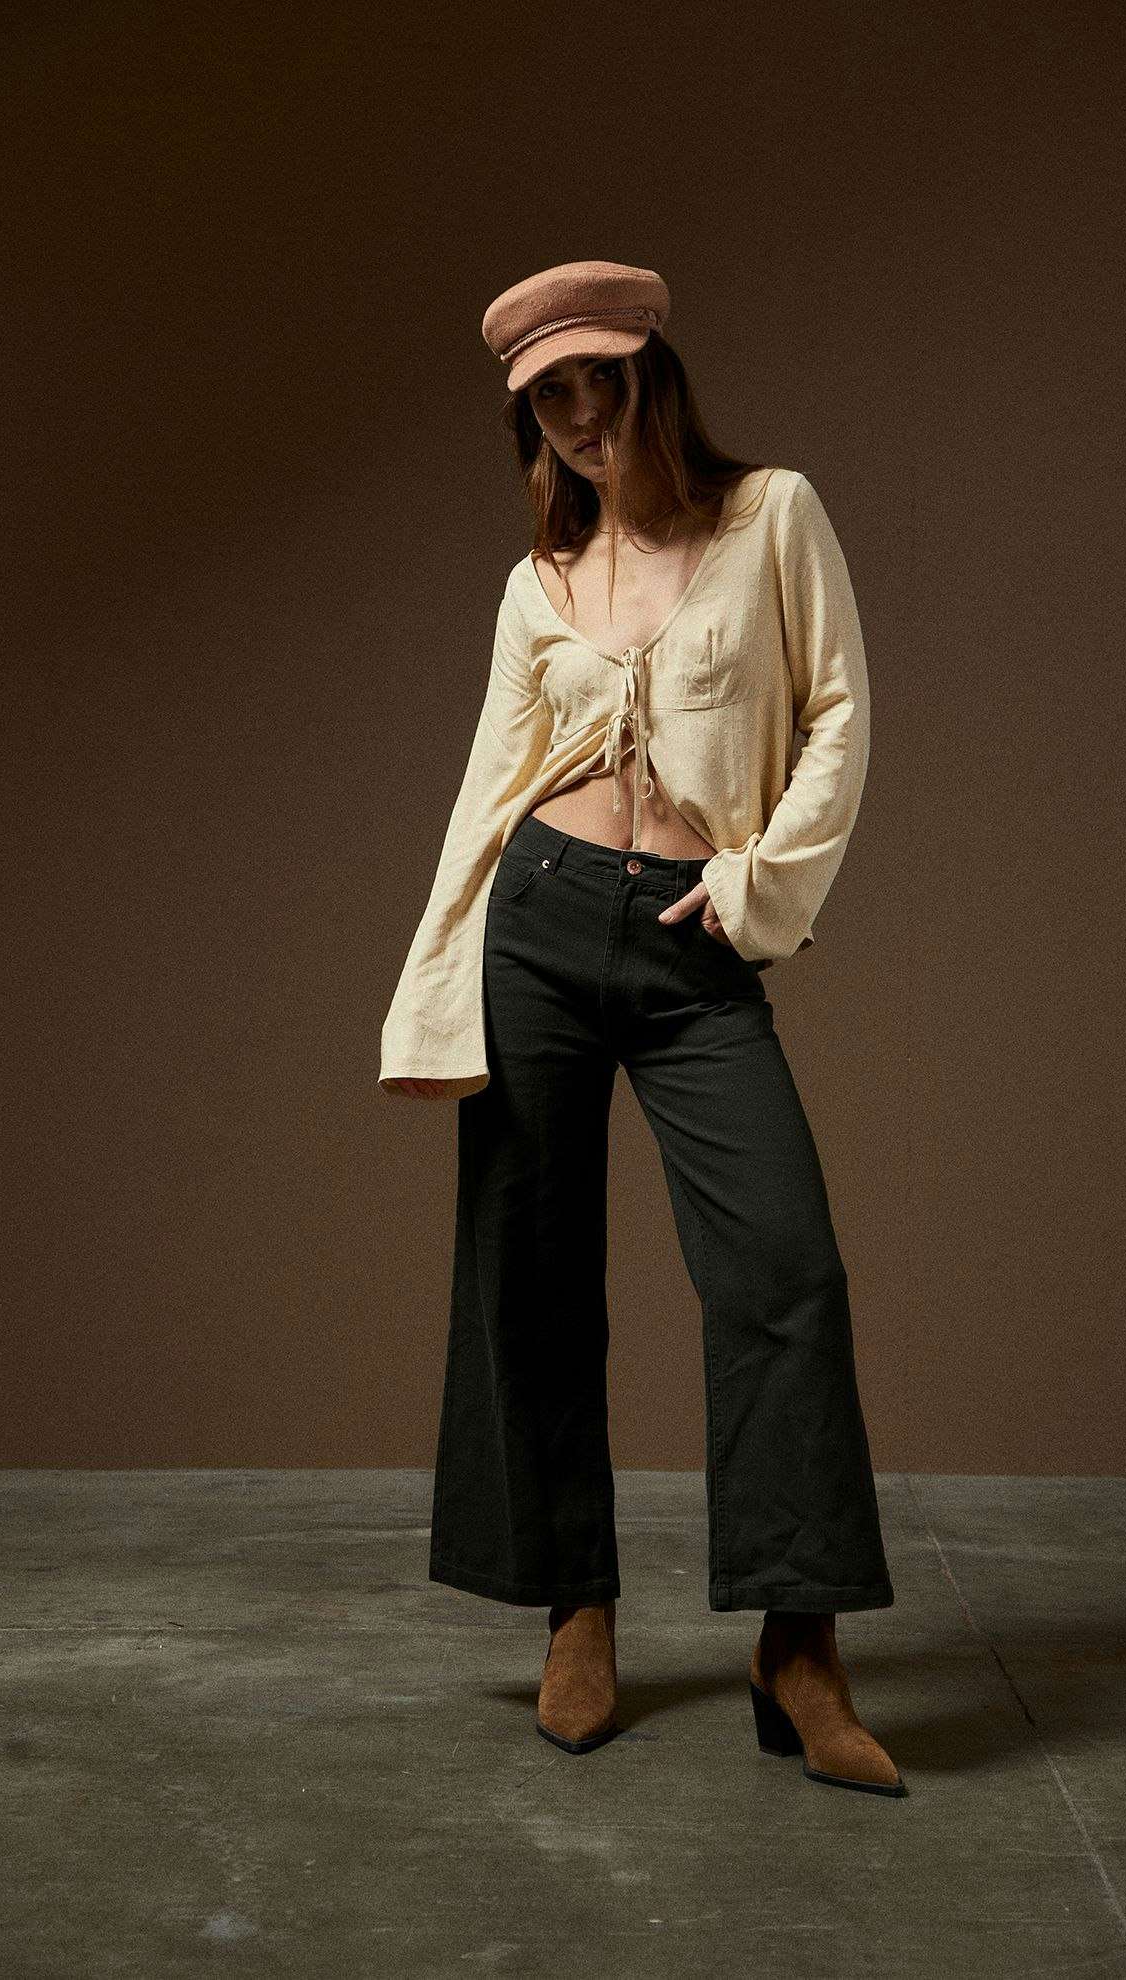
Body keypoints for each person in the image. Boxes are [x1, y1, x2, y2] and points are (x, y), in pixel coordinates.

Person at [379, 260, 905, 1796]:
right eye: (549, 393)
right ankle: (577, 1607)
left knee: (783, 1274)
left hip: (692, 945)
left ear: (649, 374)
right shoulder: (536, 583)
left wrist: (753, 889)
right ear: (528, 417)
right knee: (531, 1279)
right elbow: (488, 788)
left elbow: (838, 715)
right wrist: (436, 979)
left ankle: (796, 1645)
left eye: (598, 377)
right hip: (536, 929)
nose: (580, 411)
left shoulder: (769, 517)